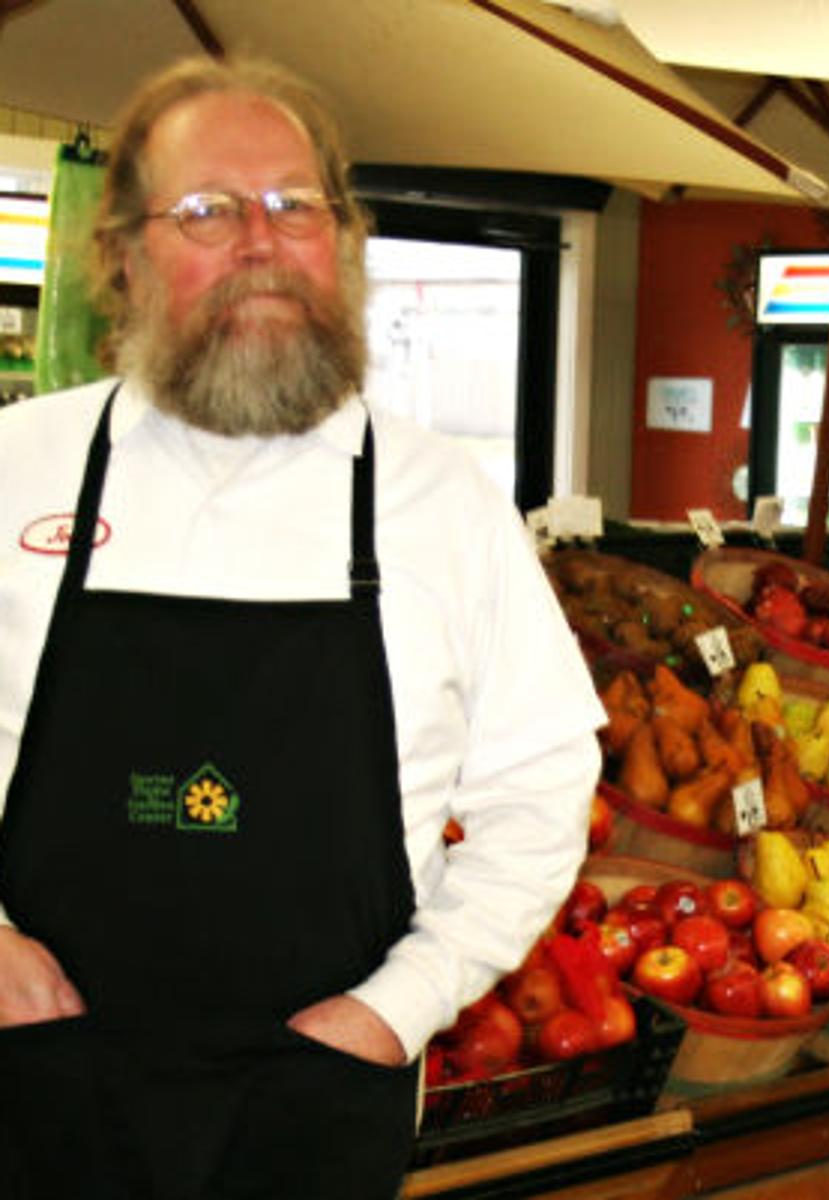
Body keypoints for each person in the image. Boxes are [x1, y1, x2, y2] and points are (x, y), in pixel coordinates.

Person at [0, 54, 604, 1200]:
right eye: (209, 211)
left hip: (317, 1111)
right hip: (33, 1090)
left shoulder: (443, 506)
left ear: (347, 246)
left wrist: (401, 1007)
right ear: (123, 258)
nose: (260, 242)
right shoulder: (14, 471)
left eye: (294, 206)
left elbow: (542, 786)